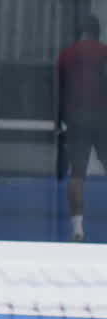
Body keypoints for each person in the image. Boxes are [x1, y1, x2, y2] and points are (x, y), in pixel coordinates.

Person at [56, 14, 107, 243]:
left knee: (77, 176)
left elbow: (58, 90)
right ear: (97, 32)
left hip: (76, 119)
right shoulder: (104, 53)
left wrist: (57, 122)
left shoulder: (66, 55)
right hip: (102, 118)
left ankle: (78, 228)